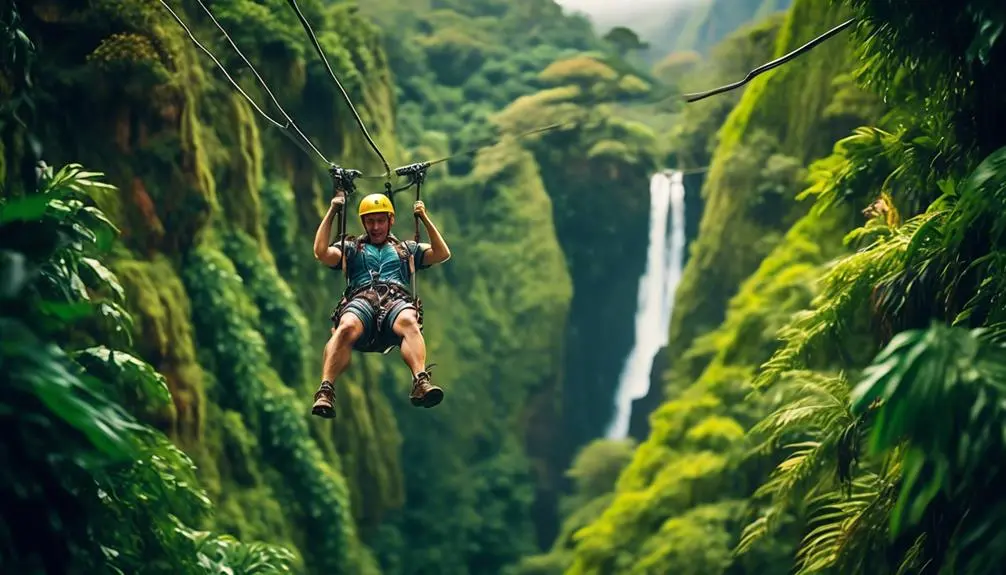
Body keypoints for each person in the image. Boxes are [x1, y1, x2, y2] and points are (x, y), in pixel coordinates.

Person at [310, 189, 451, 419]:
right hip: (362, 300)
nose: (375, 227)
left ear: (390, 220)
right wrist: (333, 210)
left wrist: (424, 218)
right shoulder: (352, 249)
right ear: (363, 223)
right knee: (346, 326)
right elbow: (321, 252)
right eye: (370, 221)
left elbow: (442, 253)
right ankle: (326, 389)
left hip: (395, 301)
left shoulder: (407, 250)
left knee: (409, 320)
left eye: (380, 221)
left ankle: (420, 380)